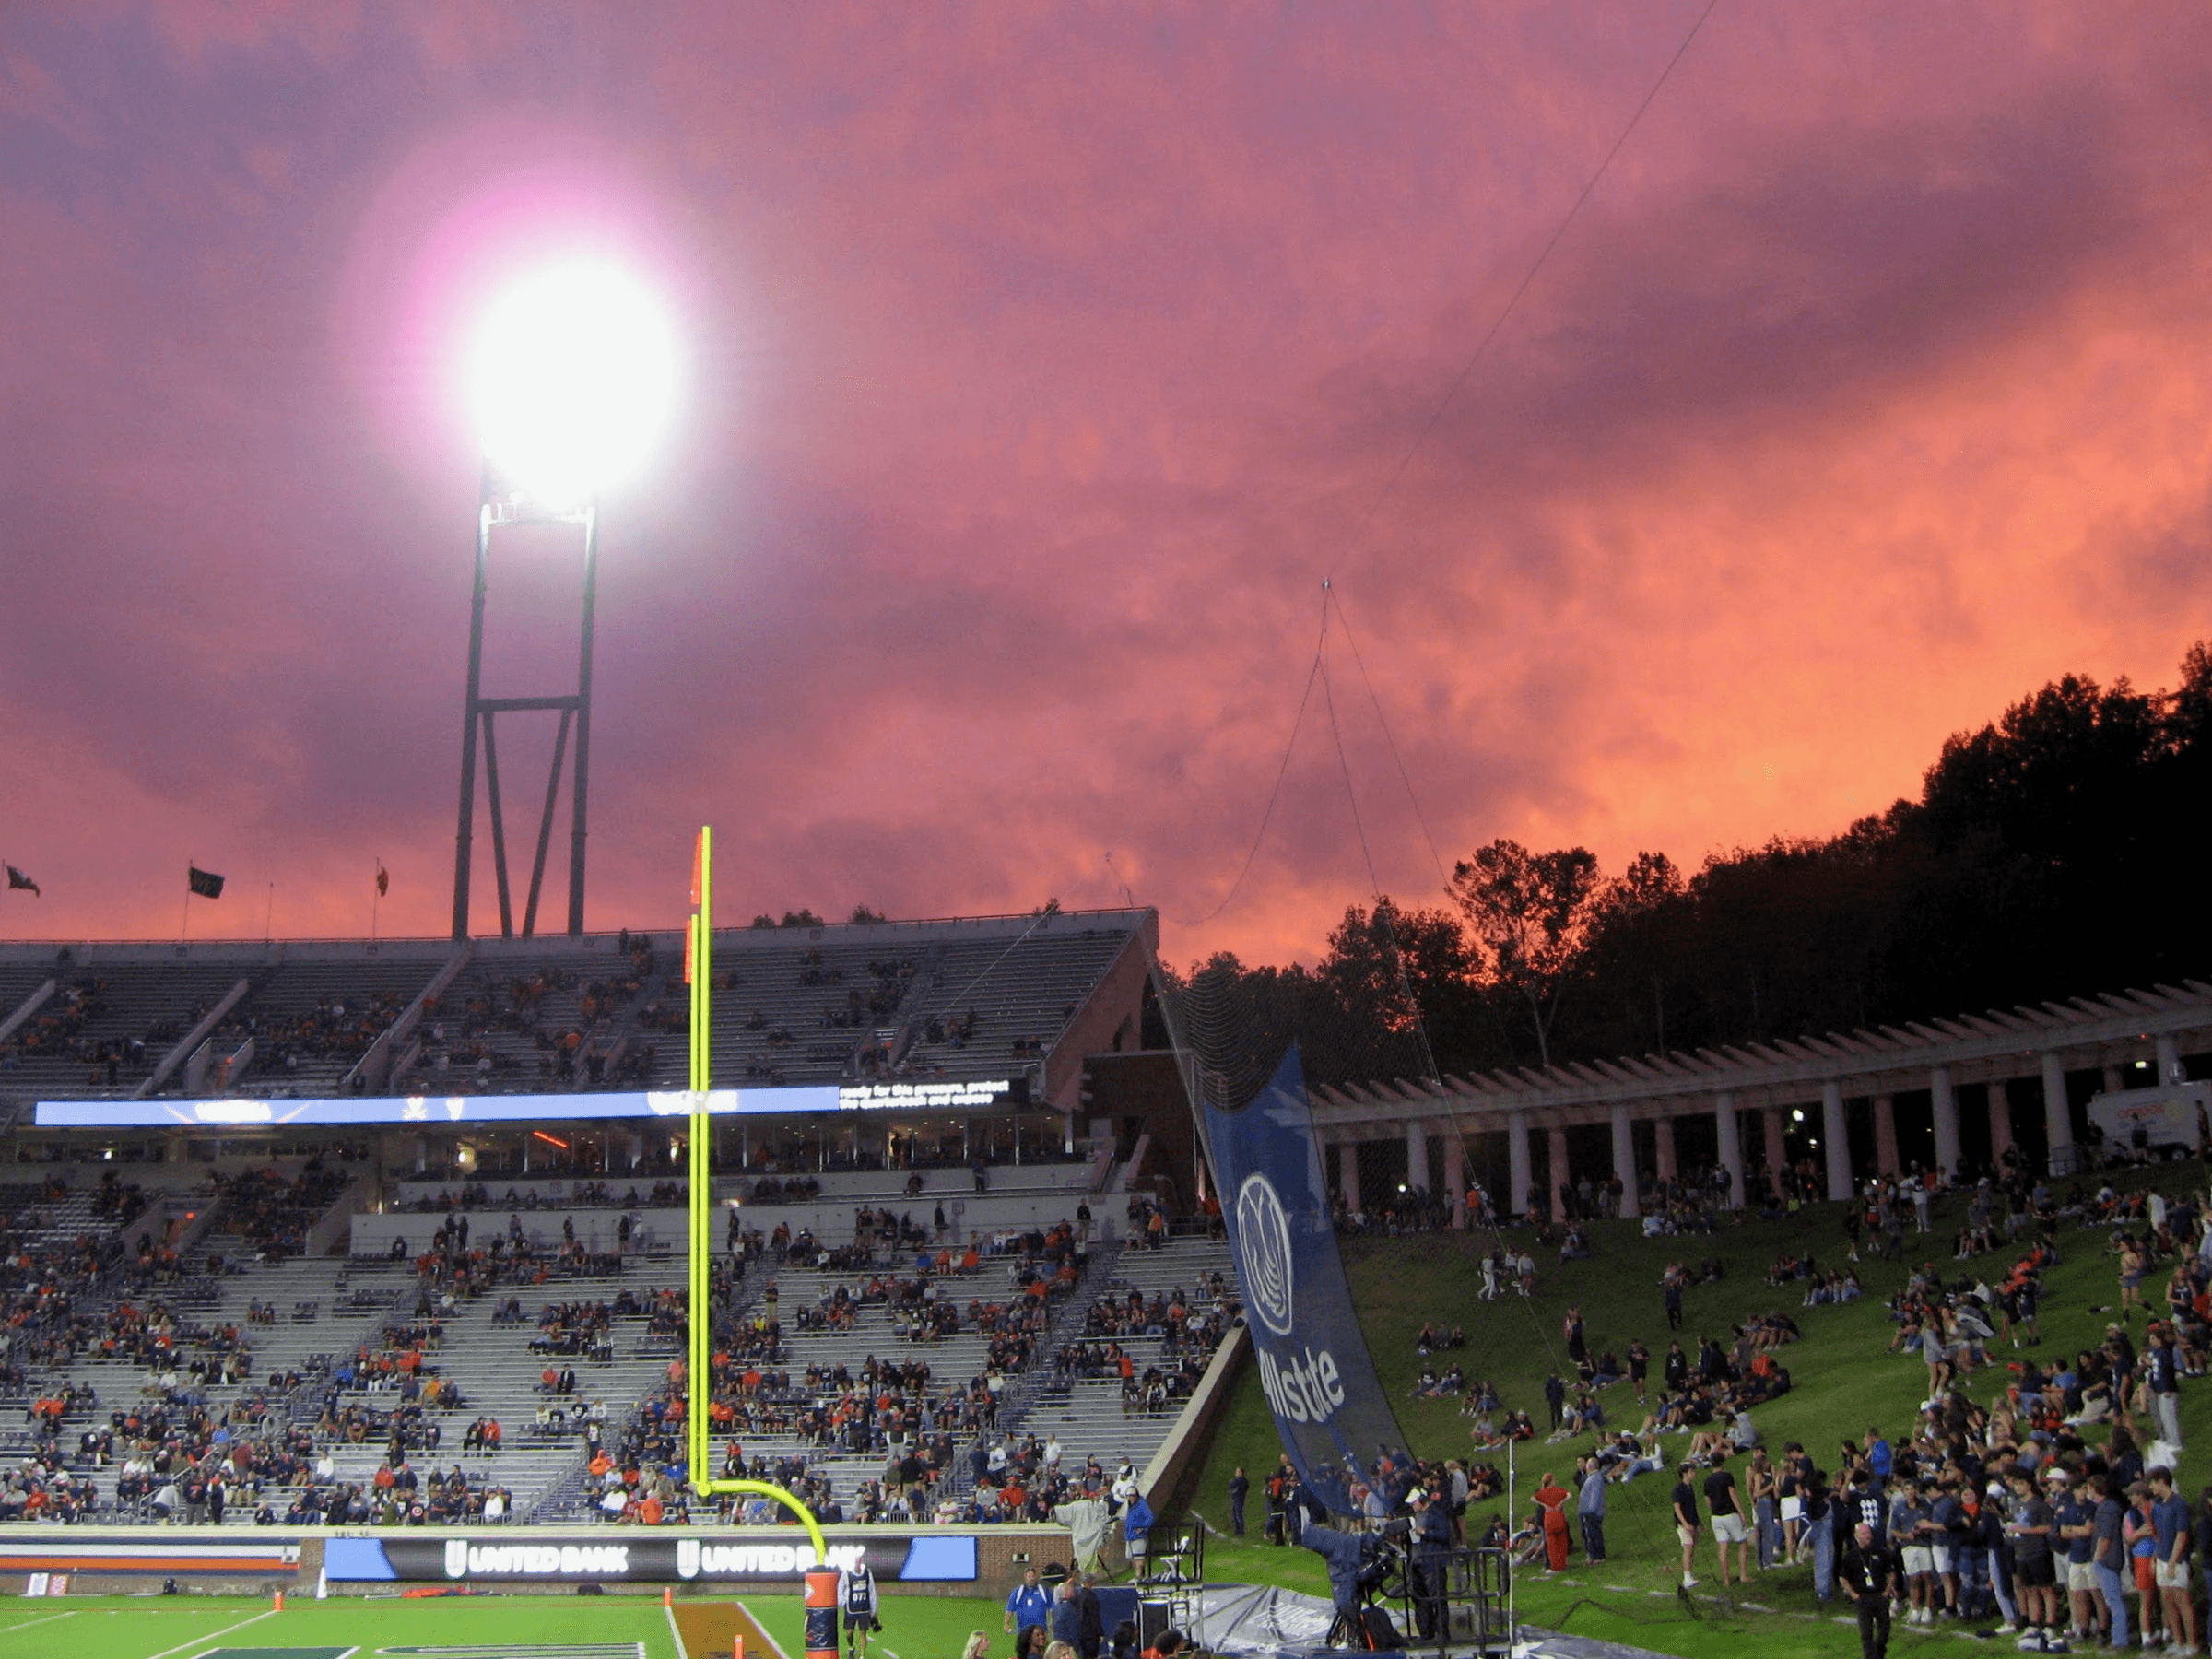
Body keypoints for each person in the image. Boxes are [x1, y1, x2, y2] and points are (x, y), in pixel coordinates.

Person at [2147, 1466, 2197, 1655]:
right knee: (2167, 1600)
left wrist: (2172, 1562)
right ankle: (2178, 1640)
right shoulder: (2157, 1505)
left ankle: (2192, 1644)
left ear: (2161, 1481)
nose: (2151, 1487)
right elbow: (2157, 1534)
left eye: (2152, 1482)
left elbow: (2182, 1534)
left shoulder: (2178, 1504)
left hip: (2176, 1560)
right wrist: (2155, 1559)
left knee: (2182, 1600)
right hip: (2161, 1558)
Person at [1839, 1522, 1900, 1659]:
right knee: (1866, 1632)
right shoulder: (1851, 1556)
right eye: (1864, 1533)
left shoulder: (1880, 1552)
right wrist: (1853, 1594)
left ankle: (1879, 1652)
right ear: (1856, 1536)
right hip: (1863, 1596)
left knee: (1884, 1630)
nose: (1867, 1536)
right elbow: (1843, 1577)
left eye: (1869, 1533)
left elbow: (1892, 1572)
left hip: (1879, 1595)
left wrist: (1887, 1591)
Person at [1704, 1452, 1749, 1588]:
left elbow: (1708, 1502)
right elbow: (1733, 1494)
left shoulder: (1707, 1480)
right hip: (1730, 1513)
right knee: (1742, 1542)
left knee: (1722, 1546)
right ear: (1723, 1462)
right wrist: (1741, 1513)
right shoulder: (1727, 1476)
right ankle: (1743, 1575)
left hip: (1716, 1517)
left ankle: (1726, 1579)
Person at [841, 1559, 881, 1659]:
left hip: (864, 1608)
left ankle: (862, 1656)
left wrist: (873, 1609)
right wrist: (842, 1602)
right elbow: (840, 1587)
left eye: (859, 1562)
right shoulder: (846, 1573)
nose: (857, 1565)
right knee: (849, 1632)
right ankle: (851, 1647)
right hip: (851, 1608)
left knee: (863, 1632)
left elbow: (871, 1591)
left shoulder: (867, 1573)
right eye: (855, 1562)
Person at [1533, 1470, 1571, 1572]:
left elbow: (1533, 1498)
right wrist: (1560, 1504)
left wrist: (1545, 1505)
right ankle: (1562, 1564)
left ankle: (1553, 1565)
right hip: (1558, 1516)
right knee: (1561, 1542)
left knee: (1551, 1544)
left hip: (1548, 1518)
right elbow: (1569, 1495)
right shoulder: (1558, 1490)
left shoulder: (1542, 1493)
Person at [1672, 1462, 1702, 1589]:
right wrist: (1684, 1523)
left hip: (1692, 1522)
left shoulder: (1690, 1488)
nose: (1694, 1474)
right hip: (1684, 1524)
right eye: (1691, 1471)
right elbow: (1677, 1507)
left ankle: (1690, 1573)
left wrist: (1698, 1523)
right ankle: (1687, 1577)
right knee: (1688, 1548)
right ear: (1685, 1474)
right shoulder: (1678, 1489)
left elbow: (1693, 1508)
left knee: (1691, 1549)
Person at [1576, 1454, 1607, 1565]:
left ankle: (1598, 1556)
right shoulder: (1593, 1477)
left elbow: (1595, 1495)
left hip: (1592, 1512)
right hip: (1587, 1511)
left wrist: (1591, 1510)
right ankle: (1593, 1555)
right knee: (1590, 1534)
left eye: (1588, 1465)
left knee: (1594, 1534)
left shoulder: (1595, 1478)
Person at [1006, 1566, 1052, 1639]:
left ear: (1036, 1577)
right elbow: (1010, 1609)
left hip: (1040, 1630)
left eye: (1033, 1576)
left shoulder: (1043, 1590)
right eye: (1029, 1576)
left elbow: (1051, 1608)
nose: (1031, 1578)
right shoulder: (1018, 1591)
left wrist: (1052, 1623)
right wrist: (1006, 1624)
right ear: (1025, 1577)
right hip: (1023, 1630)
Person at [1228, 1466, 1249, 1538]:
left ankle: (1241, 1531)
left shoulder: (1242, 1480)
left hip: (1239, 1499)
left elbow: (1233, 1484)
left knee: (1238, 1514)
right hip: (1235, 1499)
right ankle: (1237, 1530)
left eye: (1238, 1471)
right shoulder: (1237, 1480)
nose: (1236, 1473)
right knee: (1234, 1515)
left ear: (1241, 1473)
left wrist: (1233, 1483)